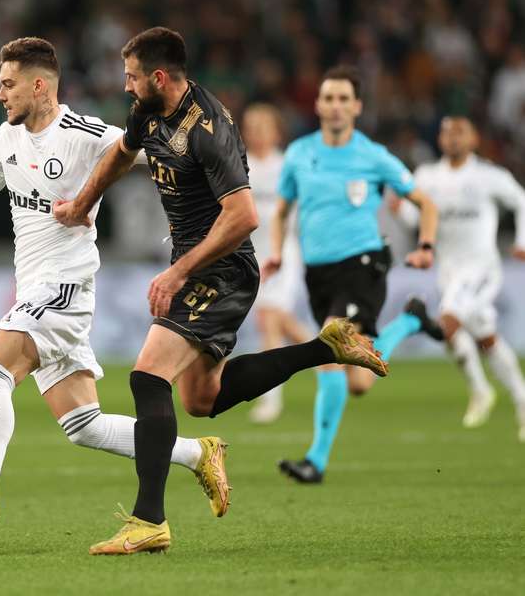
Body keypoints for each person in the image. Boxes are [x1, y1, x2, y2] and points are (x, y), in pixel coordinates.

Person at [54, 27, 387, 555]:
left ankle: (149, 520)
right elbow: (122, 153)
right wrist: (79, 204)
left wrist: (178, 271)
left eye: (132, 76)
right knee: (201, 399)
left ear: (158, 77)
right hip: (200, 264)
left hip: (222, 268)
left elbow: (244, 216)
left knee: (147, 377)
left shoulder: (209, 129)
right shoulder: (149, 109)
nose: (126, 86)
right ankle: (326, 348)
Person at [0, 37, 226, 533]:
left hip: (63, 288)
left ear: (39, 85)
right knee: (84, 426)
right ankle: (197, 453)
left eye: (8, 84)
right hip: (35, 290)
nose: (0, 94)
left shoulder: (83, 133)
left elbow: (152, 156)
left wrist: (206, 195)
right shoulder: (9, 134)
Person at [265, 65, 442, 484]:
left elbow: (425, 203)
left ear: (358, 106)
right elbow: (282, 211)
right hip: (318, 273)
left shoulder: (373, 155)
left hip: (362, 265)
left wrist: (426, 247)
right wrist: (275, 252)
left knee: (329, 345)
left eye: (344, 98)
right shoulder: (299, 153)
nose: (336, 105)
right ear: (318, 104)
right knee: (358, 381)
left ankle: (316, 461)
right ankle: (411, 320)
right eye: (329, 98)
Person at [392, 116, 525, 440]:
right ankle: (519, 399)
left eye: (460, 132)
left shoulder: (489, 175)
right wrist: (400, 208)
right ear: (440, 140)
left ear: (474, 139)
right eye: (447, 132)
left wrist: (522, 241)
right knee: (485, 335)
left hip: (481, 268)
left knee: (447, 323)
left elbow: (521, 200)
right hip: (448, 269)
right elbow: (415, 217)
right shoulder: (427, 176)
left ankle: (479, 388)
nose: (453, 138)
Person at [242, 103, 313, 424]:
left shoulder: (289, 166)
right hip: (249, 256)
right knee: (276, 321)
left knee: (269, 320)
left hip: (282, 254)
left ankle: (270, 399)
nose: (256, 132)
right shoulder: (238, 166)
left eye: (262, 126)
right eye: (251, 126)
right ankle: (328, 354)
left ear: (276, 131)